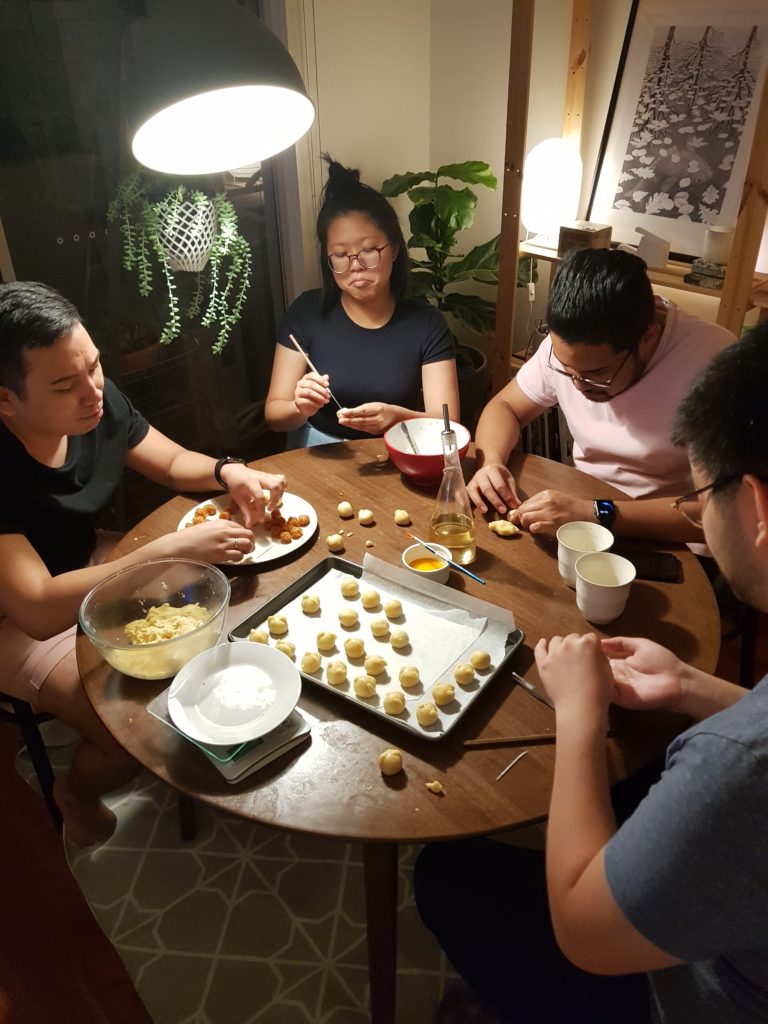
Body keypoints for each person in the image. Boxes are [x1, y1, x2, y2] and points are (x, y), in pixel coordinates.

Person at [416, 323, 768, 1023]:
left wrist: (578, 714)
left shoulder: (736, 766)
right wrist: (697, 688)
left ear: (756, 508)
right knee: (640, 770)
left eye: (705, 488)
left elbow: (587, 933)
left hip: (707, 996)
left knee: (448, 877)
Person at [0, 281, 286, 847]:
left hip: (89, 564)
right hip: (17, 619)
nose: (93, 391)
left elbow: (174, 460)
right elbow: (34, 608)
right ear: (5, 399)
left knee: (232, 594)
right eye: (65, 384)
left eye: (95, 366)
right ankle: (75, 795)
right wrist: (160, 555)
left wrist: (230, 471)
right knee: (131, 733)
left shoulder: (95, 403)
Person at [467, 247, 734, 542]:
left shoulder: (714, 363)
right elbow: (505, 406)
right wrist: (491, 461)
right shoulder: (572, 341)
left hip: (671, 543)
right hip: (579, 512)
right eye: (566, 369)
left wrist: (598, 512)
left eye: (597, 374)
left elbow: (724, 511)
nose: (578, 384)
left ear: (648, 339)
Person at [265, 158, 459, 447]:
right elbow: (274, 415)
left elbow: (448, 424)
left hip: (397, 449)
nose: (355, 265)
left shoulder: (425, 323)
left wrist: (397, 418)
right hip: (317, 455)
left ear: (393, 249)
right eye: (340, 255)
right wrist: (299, 407)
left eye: (369, 250)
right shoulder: (306, 312)